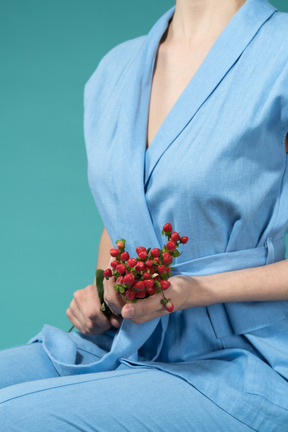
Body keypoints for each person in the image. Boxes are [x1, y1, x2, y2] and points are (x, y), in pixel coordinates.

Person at [1, 0, 288, 430]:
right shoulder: (115, 69)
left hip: (244, 360)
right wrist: (104, 295)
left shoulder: (279, 53)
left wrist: (196, 290)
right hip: (124, 341)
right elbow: (124, 209)